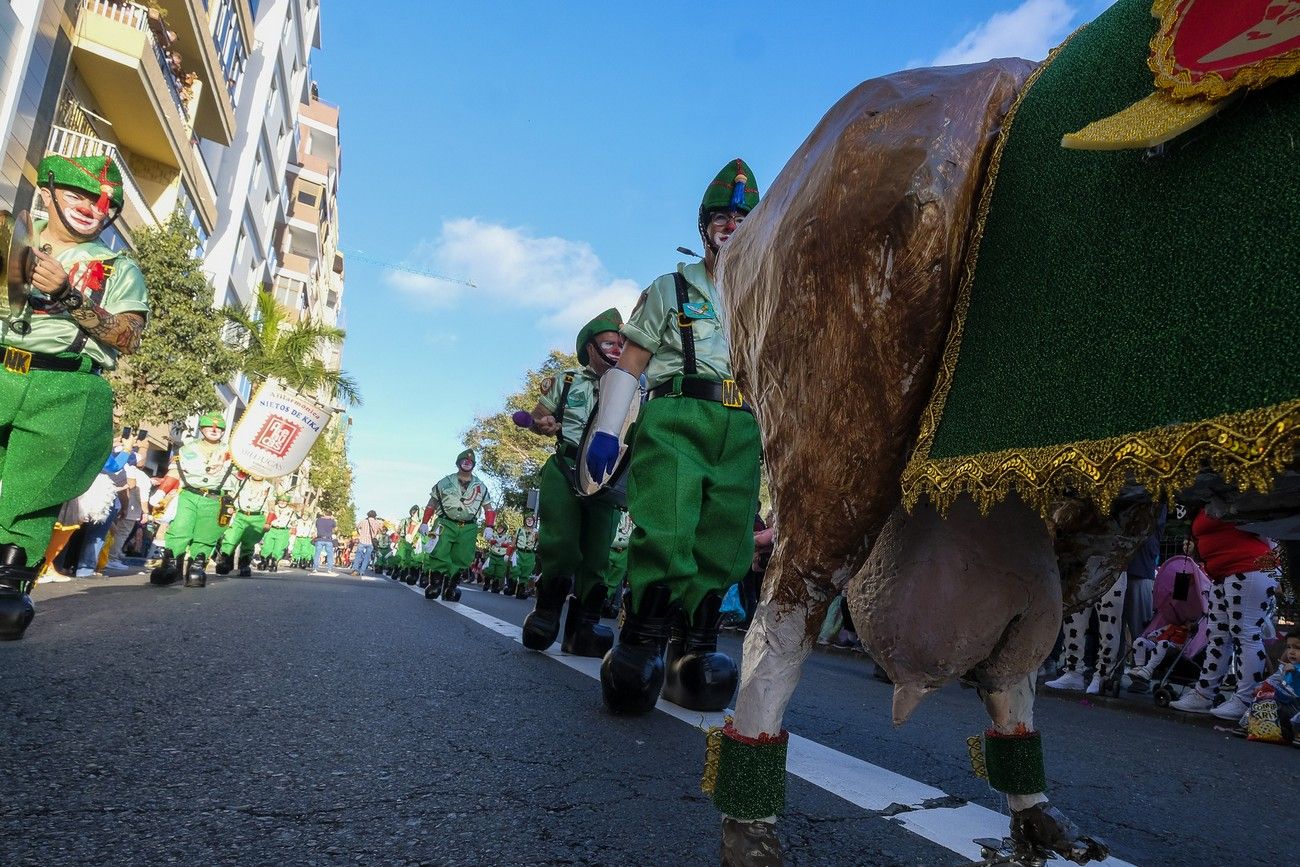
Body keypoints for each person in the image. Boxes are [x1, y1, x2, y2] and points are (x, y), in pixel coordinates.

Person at [585, 159, 763, 712]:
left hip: (743, 424)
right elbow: (633, 360)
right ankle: (641, 639)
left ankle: (696, 648)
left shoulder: (766, 292)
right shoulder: (672, 287)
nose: (731, 225)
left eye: (742, 217)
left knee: (726, 534)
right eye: (721, 216)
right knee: (669, 523)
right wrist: (609, 429)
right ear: (704, 225)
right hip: (678, 415)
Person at [0, 153, 148, 639]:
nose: (91, 207)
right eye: (79, 194)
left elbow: (128, 336)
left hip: (64, 382)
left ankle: (8, 583)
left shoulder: (118, 266)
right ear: (46, 191)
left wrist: (69, 297)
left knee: (33, 490)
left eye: (102, 201)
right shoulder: (10, 233)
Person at [520, 309, 625, 655]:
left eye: (622, 343)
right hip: (566, 467)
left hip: (607, 478)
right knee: (562, 542)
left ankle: (584, 627)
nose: (617, 348)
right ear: (590, 347)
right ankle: (547, 612)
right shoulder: (566, 381)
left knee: (599, 554)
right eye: (610, 342)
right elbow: (536, 416)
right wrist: (542, 423)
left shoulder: (632, 386)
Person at [1171, 510, 1279, 719]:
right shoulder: (1210, 501)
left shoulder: (1235, 495)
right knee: (1218, 635)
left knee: (1245, 633)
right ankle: (1204, 694)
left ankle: (1245, 699)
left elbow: (1267, 530)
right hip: (1225, 573)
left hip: (1248, 567)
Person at [151, 413, 231, 588]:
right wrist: (162, 491)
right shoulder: (186, 449)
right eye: (210, 426)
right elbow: (175, 472)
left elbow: (241, 475)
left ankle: (197, 566)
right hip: (189, 494)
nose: (215, 430)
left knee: (206, 534)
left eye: (219, 428)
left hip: (215, 498)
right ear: (202, 428)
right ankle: (171, 564)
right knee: (180, 528)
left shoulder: (232, 452)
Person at [422, 449, 490, 601]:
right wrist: (425, 522)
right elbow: (432, 502)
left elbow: (489, 508)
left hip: (469, 526)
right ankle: (435, 584)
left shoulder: (481, 486)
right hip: (445, 523)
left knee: (462, 556)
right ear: (458, 463)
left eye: (470, 462)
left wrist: (490, 526)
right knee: (439, 551)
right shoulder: (445, 481)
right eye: (464, 461)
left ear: (473, 465)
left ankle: (451, 586)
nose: (467, 463)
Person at [214, 473, 276, 577]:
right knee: (230, 537)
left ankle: (244, 565)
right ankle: (225, 560)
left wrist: (268, 522)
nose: (257, 474)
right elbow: (231, 496)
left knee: (249, 542)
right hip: (240, 514)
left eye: (261, 471)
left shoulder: (269, 487)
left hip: (257, 517)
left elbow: (272, 507)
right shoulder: (242, 482)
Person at [484, 516, 513, 594]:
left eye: (501, 528)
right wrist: (499, 542)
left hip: (502, 556)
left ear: (504, 530)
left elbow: (509, 544)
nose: (499, 529)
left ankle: (495, 586)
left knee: (499, 573)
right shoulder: (494, 534)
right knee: (489, 570)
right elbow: (491, 541)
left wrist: (500, 543)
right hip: (493, 555)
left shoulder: (508, 536)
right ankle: (486, 583)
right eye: (499, 528)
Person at [353, 510, 383, 575]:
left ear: (368, 515)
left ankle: (355, 570)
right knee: (367, 557)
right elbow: (380, 531)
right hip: (371, 542)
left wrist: (360, 533)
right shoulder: (377, 522)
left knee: (358, 555)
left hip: (362, 540)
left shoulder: (363, 521)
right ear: (375, 516)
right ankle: (362, 571)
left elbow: (357, 527)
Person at [513, 513, 539, 587]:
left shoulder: (536, 532)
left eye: (531, 520)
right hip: (519, 552)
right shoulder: (519, 529)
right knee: (515, 570)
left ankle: (521, 589)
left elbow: (540, 542)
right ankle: (512, 586)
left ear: (534, 521)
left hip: (530, 554)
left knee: (526, 572)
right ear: (525, 520)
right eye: (528, 519)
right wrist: (508, 554)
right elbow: (513, 542)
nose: (529, 521)